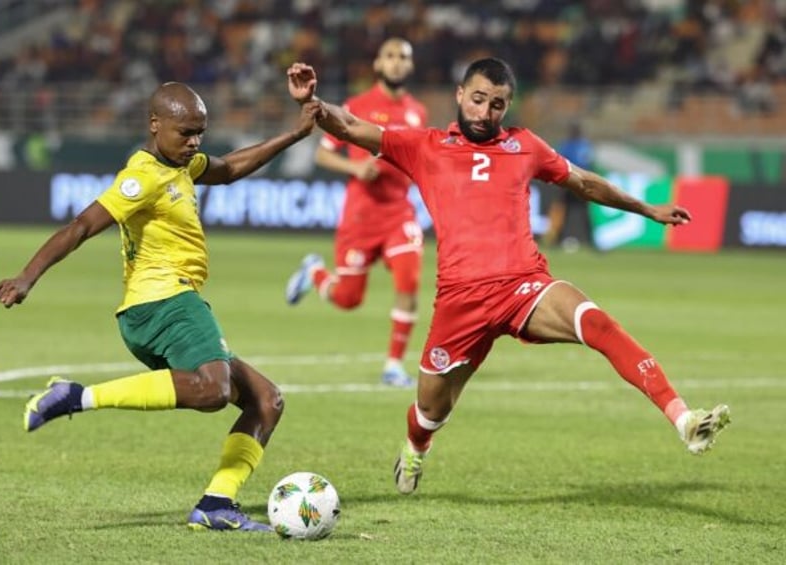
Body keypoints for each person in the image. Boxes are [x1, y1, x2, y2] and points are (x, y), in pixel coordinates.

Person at [286, 58, 731, 495]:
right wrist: (315, 104)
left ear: (508, 106)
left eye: (497, 104)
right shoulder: (425, 145)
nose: (485, 112)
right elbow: (352, 127)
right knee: (430, 409)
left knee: (596, 322)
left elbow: (584, 183)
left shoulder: (525, 146)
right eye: (478, 99)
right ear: (460, 95)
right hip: (460, 301)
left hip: (524, 285)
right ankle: (417, 445)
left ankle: (683, 418)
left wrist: (646, 208)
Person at [0, 82, 320, 529]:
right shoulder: (142, 176)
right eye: (185, 133)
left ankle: (215, 505)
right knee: (215, 390)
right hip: (164, 301)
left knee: (266, 400)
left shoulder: (183, 166)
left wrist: (296, 133)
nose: (194, 143)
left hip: (167, 305)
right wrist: (26, 277)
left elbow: (228, 168)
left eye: (200, 133)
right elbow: (82, 226)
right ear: (155, 125)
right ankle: (76, 396)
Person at [284, 38, 428, 388]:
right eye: (390, 56)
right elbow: (323, 155)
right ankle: (315, 273)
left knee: (409, 281)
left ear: (409, 67)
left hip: (399, 213)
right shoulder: (357, 105)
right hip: (361, 217)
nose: (396, 63)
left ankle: (393, 366)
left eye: (403, 58)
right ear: (378, 64)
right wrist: (356, 170)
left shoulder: (417, 112)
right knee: (348, 299)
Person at [542, 121, 596, 251]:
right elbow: (589, 164)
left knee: (563, 210)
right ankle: (592, 241)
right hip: (581, 182)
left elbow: (559, 162)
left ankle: (558, 240)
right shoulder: (585, 145)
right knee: (582, 213)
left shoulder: (567, 145)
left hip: (569, 182)